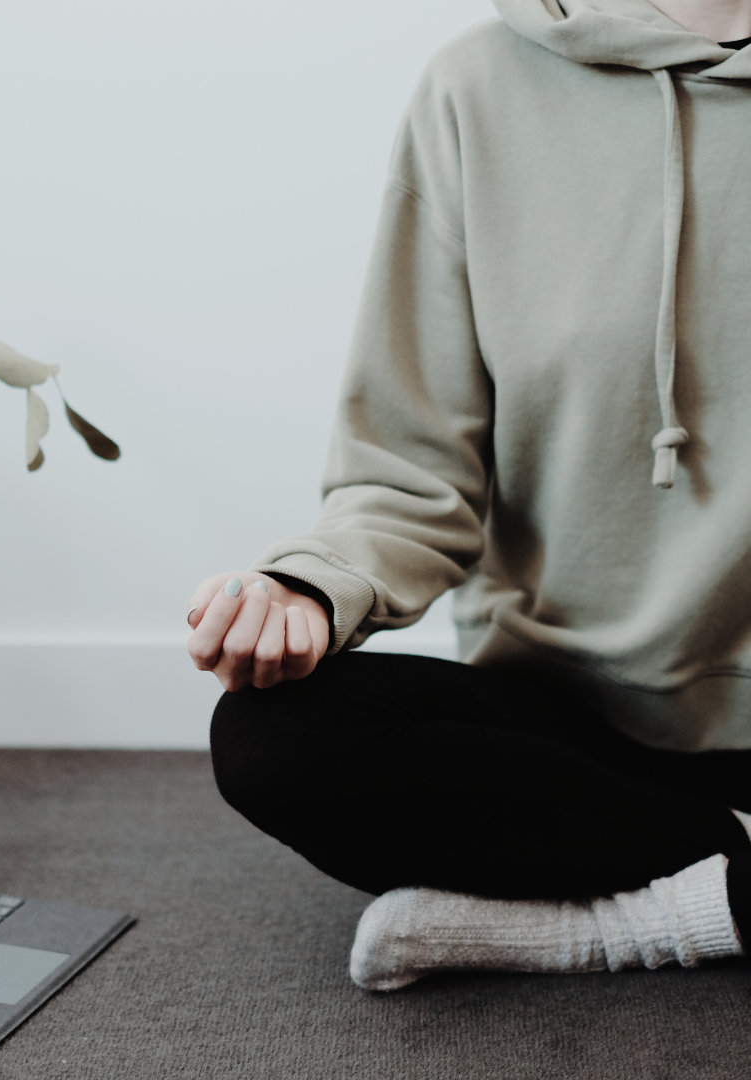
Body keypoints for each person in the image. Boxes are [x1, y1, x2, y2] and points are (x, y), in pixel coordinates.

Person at [186, 0, 751, 990]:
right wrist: (314, 589)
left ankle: (640, 922)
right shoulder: (478, 90)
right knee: (274, 739)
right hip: (576, 729)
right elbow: (410, 467)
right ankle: (733, 857)